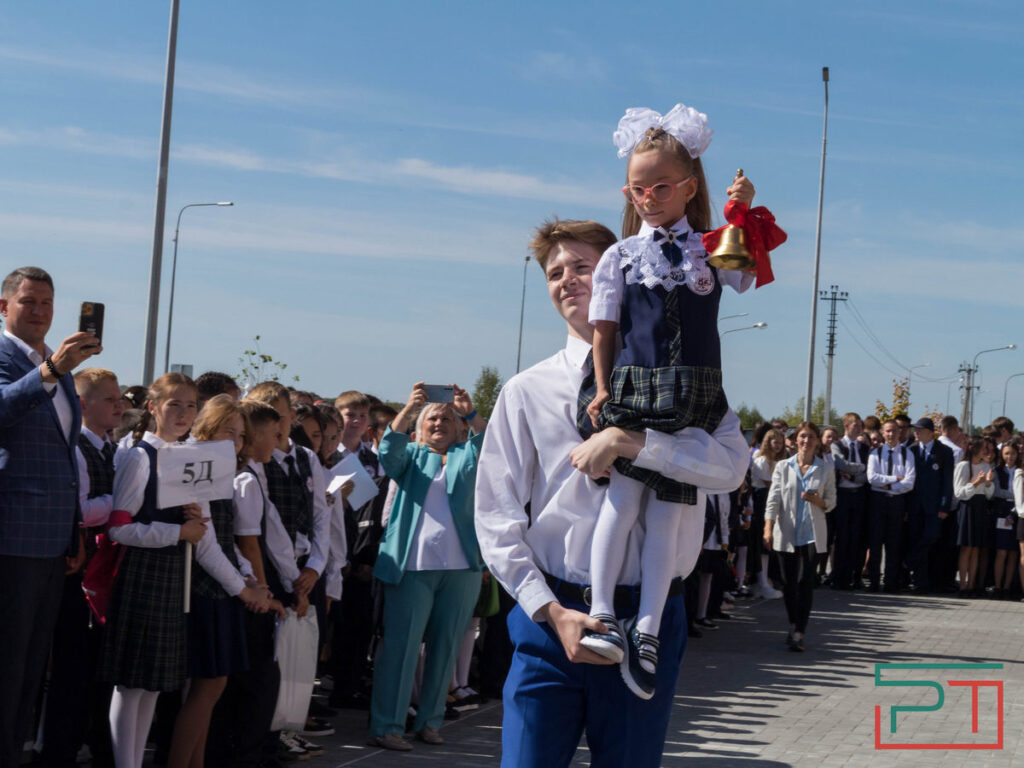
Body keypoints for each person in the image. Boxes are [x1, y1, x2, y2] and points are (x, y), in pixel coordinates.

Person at [475, 217, 749, 768]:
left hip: (647, 619)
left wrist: (634, 442)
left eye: (584, 266)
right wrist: (550, 612)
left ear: (622, 273)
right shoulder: (527, 391)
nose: (569, 280)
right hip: (553, 620)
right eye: (556, 272)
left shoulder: (690, 381)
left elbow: (730, 469)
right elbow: (495, 515)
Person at [578, 104, 760, 696]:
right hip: (636, 387)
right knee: (625, 499)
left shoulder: (712, 247)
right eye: (638, 188)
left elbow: (747, 275)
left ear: (688, 187)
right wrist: (603, 388)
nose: (649, 197)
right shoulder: (621, 256)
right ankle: (604, 610)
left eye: (661, 186)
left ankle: (649, 624)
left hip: (695, 392)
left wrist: (740, 211)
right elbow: (604, 329)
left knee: (671, 512)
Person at [0, 266, 101, 767]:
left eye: (46, 302)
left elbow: (65, 456)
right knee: (7, 665)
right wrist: (51, 372)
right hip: (13, 536)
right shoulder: (15, 360)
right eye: (27, 302)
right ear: (4, 308)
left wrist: (75, 528)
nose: (39, 311)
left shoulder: (54, 367)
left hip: (53, 538)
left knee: (31, 668)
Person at [99, 374, 210, 768]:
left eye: (191, 405)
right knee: (131, 685)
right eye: (174, 405)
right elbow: (119, 527)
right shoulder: (138, 457)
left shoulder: (184, 456)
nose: (183, 414)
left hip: (170, 575)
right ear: (153, 407)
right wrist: (177, 531)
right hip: (143, 574)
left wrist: (193, 521)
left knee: (152, 687)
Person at [367, 384, 487, 751]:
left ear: (460, 427)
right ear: (420, 428)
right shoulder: (411, 457)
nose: (440, 422)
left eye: (447, 418)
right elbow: (387, 450)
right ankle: (387, 725)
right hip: (411, 567)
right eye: (432, 417)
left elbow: (493, 444)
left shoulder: (468, 453)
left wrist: (469, 411)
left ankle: (430, 721)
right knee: (401, 649)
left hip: (461, 569)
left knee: (446, 647)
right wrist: (408, 409)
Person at [168, 395, 270, 768]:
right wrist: (244, 588)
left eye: (241, 435)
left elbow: (224, 538)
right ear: (208, 427)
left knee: (213, 687)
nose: (236, 441)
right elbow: (206, 545)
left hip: (221, 586)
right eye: (229, 431)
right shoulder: (194, 460)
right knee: (207, 686)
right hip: (202, 589)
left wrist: (248, 576)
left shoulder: (218, 467)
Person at [42, 367, 123, 767]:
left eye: (120, 398)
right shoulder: (76, 450)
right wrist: (122, 503)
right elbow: (77, 510)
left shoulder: (114, 448)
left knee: (99, 668)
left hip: (109, 572)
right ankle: (59, 751)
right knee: (73, 671)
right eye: (110, 399)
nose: (120, 406)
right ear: (82, 404)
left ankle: (96, 743)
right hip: (80, 574)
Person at [763, 421, 836, 652]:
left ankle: (799, 630)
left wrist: (818, 501)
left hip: (813, 533)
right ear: (796, 440)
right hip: (787, 532)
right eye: (803, 436)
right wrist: (767, 528)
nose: (806, 441)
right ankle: (793, 621)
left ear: (817, 441)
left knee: (806, 582)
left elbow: (832, 501)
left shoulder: (825, 469)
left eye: (811, 437)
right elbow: (773, 500)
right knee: (788, 583)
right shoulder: (784, 467)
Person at [866, 419, 916, 593]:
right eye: (887, 431)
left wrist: (889, 486)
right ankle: (873, 581)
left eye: (894, 431)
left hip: (897, 502)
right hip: (878, 501)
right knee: (875, 543)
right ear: (882, 432)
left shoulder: (907, 454)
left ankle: (890, 582)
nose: (891, 434)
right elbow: (872, 478)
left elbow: (909, 482)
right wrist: (895, 479)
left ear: (899, 432)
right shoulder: (875, 453)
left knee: (894, 544)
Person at [906, 418, 954, 592]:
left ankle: (909, 561)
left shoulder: (944, 451)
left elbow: (947, 482)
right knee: (916, 538)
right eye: (915, 430)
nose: (916, 433)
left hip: (934, 506)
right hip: (914, 505)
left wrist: (944, 506)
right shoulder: (910, 450)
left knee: (931, 536)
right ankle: (920, 582)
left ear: (930, 432)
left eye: (920, 430)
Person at [953, 437, 997, 597]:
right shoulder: (963, 466)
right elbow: (958, 492)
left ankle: (972, 584)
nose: (986, 451)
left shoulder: (986, 466)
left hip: (980, 506)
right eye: (984, 447)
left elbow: (989, 494)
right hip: (967, 507)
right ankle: (962, 585)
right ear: (974, 448)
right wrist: (975, 483)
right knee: (966, 547)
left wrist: (987, 483)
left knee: (977, 547)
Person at [831, 412, 869, 590]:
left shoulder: (864, 448)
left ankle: (855, 576)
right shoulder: (837, 445)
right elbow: (842, 465)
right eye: (855, 425)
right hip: (843, 496)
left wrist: (854, 476)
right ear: (846, 426)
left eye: (860, 425)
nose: (859, 428)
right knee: (842, 537)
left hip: (859, 495)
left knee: (857, 537)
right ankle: (839, 576)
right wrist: (860, 468)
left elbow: (869, 473)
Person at [749, 429, 786, 599]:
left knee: (769, 546)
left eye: (780, 442)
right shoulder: (761, 460)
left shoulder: (779, 461)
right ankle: (761, 582)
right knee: (761, 543)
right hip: (761, 500)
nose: (778, 446)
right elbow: (769, 483)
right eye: (775, 442)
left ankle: (766, 580)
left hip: (773, 501)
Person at [990, 442, 1019, 598]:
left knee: (1013, 553)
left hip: (1017, 512)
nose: (1010, 457)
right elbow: (997, 492)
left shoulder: (1020, 472)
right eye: (1007, 453)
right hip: (1001, 512)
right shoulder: (997, 470)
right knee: (1001, 552)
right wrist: (1015, 495)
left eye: (1013, 453)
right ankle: (998, 586)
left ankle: (1007, 587)